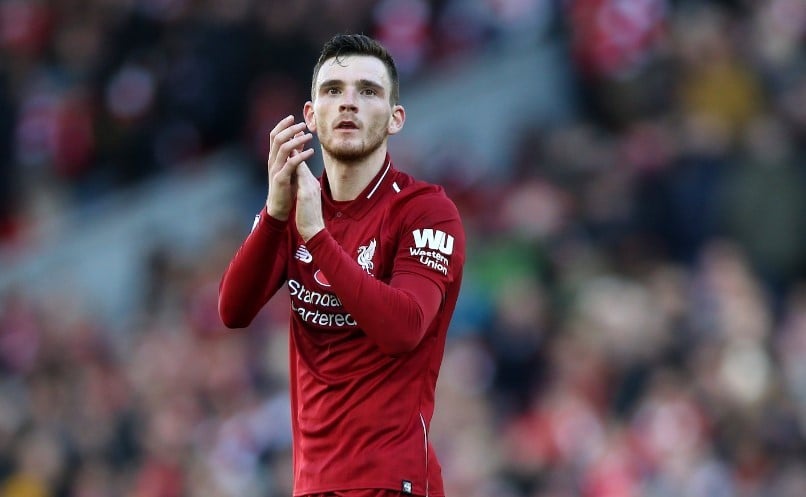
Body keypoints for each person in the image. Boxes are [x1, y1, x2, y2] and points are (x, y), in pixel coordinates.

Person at [218, 34, 466, 497]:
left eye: (368, 91)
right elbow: (233, 311)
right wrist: (274, 212)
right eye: (333, 90)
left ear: (395, 118)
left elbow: (405, 328)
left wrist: (318, 237)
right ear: (311, 116)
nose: (348, 102)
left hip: (391, 480)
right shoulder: (293, 209)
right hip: (313, 483)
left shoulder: (426, 211)